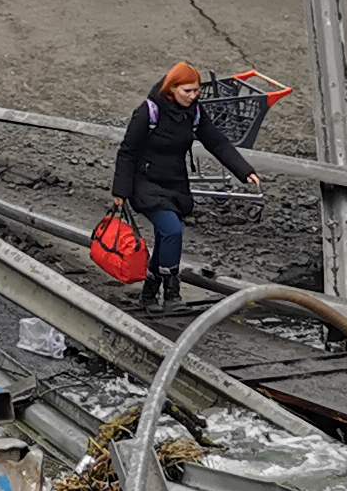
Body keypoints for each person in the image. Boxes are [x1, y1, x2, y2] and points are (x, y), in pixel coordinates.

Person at [109, 61, 259, 312]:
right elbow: (127, 152)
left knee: (165, 236)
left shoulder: (195, 112)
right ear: (171, 89)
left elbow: (217, 142)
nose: (193, 96)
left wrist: (244, 171)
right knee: (172, 231)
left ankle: (149, 293)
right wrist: (120, 192)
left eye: (196, 91)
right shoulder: (148, 112)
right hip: (145, 184)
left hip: (175, 184)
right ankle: (172, 292)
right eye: (187, 91)